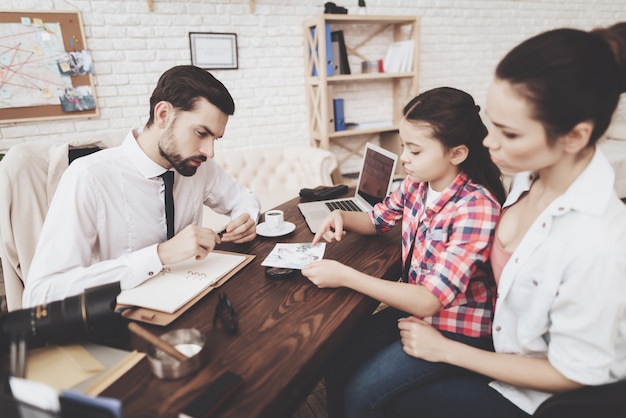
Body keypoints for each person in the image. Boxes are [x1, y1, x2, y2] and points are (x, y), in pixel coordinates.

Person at [386, 23, 626, 418]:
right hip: (495, 343)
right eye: (492, 124)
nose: (488, 142)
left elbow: (571, 373)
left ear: (574, 137)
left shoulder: (599, 244)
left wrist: (446, 350)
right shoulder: (527, 177)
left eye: (509, 133)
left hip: (544, 397)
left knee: (385, 401)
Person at [301, 86, 507, 418]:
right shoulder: (416, 182)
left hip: (456, 328)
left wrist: (345, 276)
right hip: (414, 309)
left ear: (456, 154)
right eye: (403, 147)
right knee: (337, 358)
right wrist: (342, 216)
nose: (405, 159)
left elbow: (428, 299)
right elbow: (377, 218)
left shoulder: (476, 207)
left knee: (362, 392)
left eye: (414, 150)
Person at [23, 65, 261, 307]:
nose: (209, 152)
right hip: (122, 318)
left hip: (192, 302)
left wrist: (246, 217)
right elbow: (41, 293)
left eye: (215, 139)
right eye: (201, 133)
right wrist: (158, 255)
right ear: (163, 115)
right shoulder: (88, 177)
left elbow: (244, 198)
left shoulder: (199, 165)